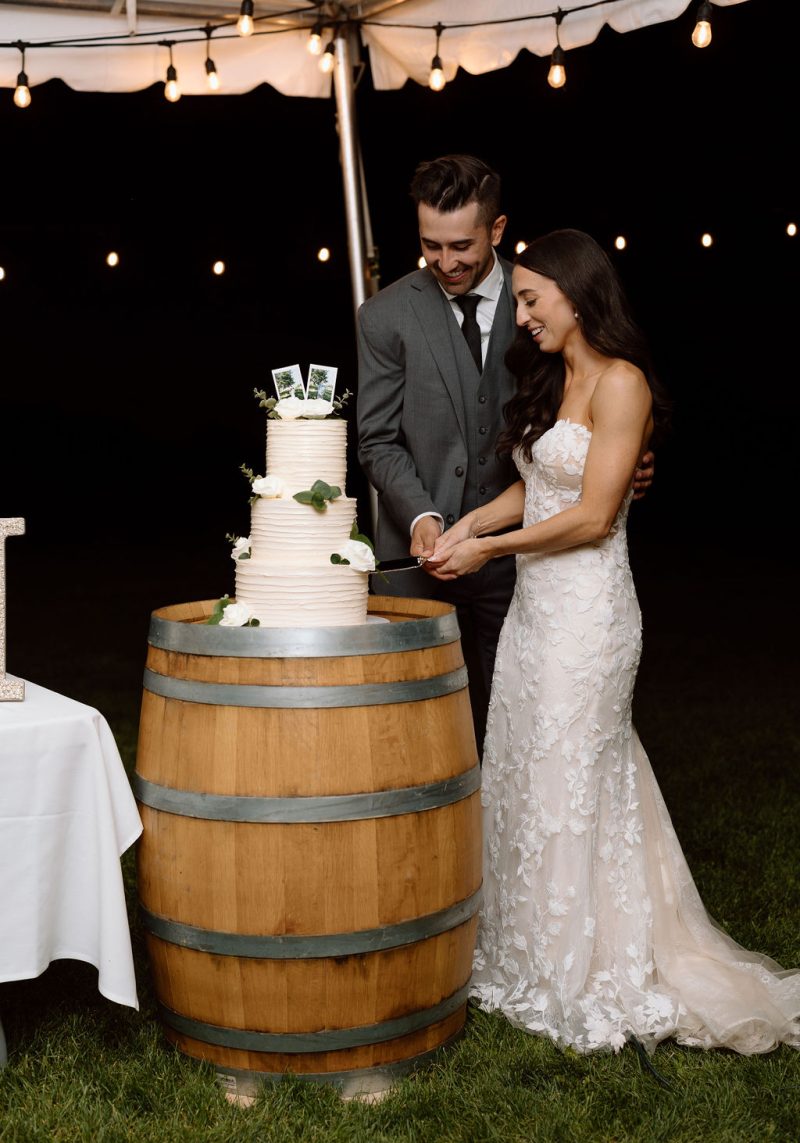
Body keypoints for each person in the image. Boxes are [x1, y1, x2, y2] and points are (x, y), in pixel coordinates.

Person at [425, 229, 800, 1055]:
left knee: (573, 771)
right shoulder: (562, 377)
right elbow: (539, 484)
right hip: (536, 615)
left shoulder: (623, 383)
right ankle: (526, 950)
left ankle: (584, 967)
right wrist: (467, 526)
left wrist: (489, 550)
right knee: (527, 764)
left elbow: (594, 516)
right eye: (519, 300)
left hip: (590, 616)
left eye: (530, 298)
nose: (520, 315)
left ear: (576, 290)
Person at [357, 154, 653, 752]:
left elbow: (603, 407)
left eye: (461, 245)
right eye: (429, 245)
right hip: (424, 556)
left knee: (519, 725)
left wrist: (627, 463)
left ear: (496, 230)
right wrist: (422, 515)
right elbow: (377, 438)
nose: (445, 262)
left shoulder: (546, 296)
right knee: (412, 734)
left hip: (530, 559)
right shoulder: (383, 316)